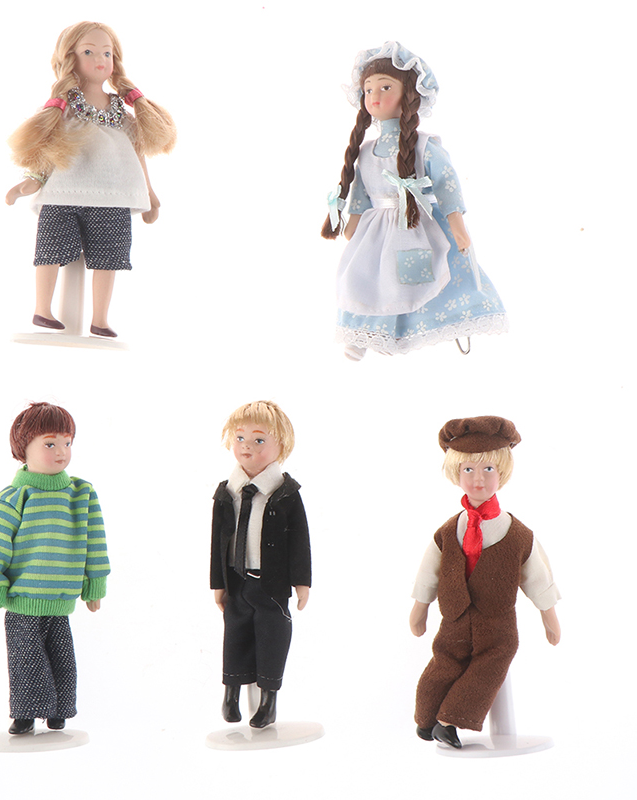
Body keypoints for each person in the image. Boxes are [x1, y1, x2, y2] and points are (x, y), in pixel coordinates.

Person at [322, 42, 507, 358]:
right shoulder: (365, 152)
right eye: (368, 89)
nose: (375, 95)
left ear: (409, 94)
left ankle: (407, 333)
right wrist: (352, 225)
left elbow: (447, 185)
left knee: (412, 283)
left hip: (415, 228)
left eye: (385, 87)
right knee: (362, 280)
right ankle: (364, 335)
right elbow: (361, 196)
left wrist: (458, 226)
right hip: (374, 235)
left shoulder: (425, 146)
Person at [6, 21, 176, 337]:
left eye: (106, 53)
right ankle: (42, 309)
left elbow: (138, 152)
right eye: (89, 52)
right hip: (63, 193)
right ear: (70, 57)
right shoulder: (63, 109)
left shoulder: (121, 113)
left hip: (113, 197)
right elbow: (49, 149)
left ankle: (100, 319)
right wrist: (31, 181)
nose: (100, 59)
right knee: (50, 250)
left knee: (109, 258)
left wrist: (150, 195)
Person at [409, 416, 560, 748]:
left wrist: (549, 617)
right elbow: (429, 572)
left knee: (494, 656)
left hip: (496, 618)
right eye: (469, 469)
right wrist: (420, 608)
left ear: (502, 472)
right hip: (455, 614)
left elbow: (537, 576)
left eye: (488, 469)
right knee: (446, 659)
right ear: (456, 473)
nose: (478, 479)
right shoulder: (448, 532)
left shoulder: (518, 534)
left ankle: (447, 720)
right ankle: (429, 718)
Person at [0, 402, 110, 734]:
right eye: (50, 444)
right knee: (26, 658)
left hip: (60, 599)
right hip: (22, 600)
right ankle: (26, 713)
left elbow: (95, 542)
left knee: (62, 656)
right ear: (24, 448)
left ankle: (58, 711)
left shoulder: (81, 494)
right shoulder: (14, 496)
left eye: (67, 442)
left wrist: (95, 584)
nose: (61, 452)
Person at [210, 401, 312, 728]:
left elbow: (300, 540)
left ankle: (269, 702)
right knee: (235, 635)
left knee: (272, 639)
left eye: (259, 440)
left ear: (281, 445)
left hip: (270, 584)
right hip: (237, 580)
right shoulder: (228, 492)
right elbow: (217, 542)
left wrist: (301, 581)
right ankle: (231, 693)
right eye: (240, 438)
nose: (247, 447)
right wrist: (218, 583)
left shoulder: (285, 493)